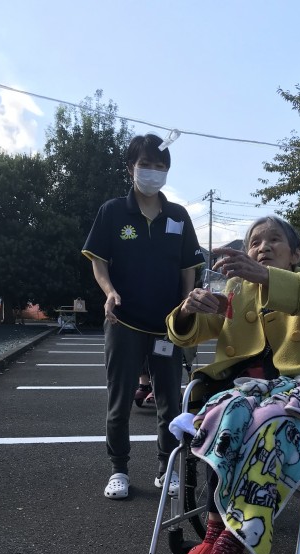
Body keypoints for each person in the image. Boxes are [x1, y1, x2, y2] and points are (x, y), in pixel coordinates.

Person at [165, 215, 300, 554]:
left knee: (267, 423)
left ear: (295, 254)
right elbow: (191, 331)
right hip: (244, 389)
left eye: (274, 240)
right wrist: (189, 307)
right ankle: (214, 533)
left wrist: (267, 278)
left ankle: (231, 545)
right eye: (254, 242)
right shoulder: (236, 288)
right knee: (223, 417)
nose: (262, 247)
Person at [82, 133, 204, 500]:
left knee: (170, 402)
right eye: (145, 165)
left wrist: (186, 308)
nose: (153, 172)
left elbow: (188, 268)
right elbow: (99, 261)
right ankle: (118, 469)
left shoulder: (178, 216)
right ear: (130, 168)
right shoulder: (112, 212)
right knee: (119, 401)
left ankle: (166, 469)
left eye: (160, 166)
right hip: (124, 322)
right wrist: (109, 292)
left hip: (167, 327)